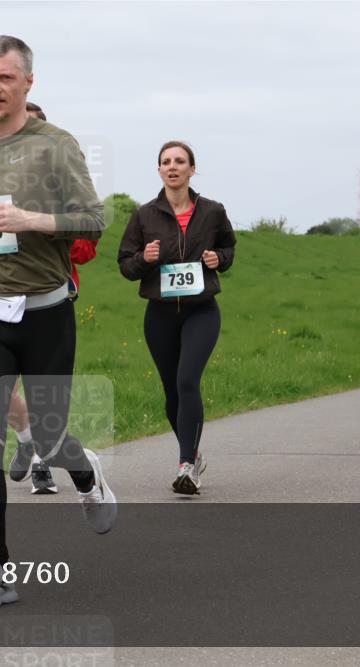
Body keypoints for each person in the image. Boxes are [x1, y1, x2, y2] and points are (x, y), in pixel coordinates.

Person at [0, 35, 115, 608]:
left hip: (46, 311)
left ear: (28, 82)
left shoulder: (56, 145)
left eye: (4, 78)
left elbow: (92, 220)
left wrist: (30, 218)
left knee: (52, 437)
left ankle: (87, 476)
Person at [0, 101, 99, 495]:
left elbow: (87, 246)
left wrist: (43, 234)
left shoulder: (62, 191)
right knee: (1, 399)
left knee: (46, 411)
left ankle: (48, 462)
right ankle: (25, 445)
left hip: (47, 305)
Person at [117, 141, 236, 495]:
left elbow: (229, 248)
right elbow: (125, 264)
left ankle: (186, 467)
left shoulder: (213, 211)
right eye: (166, 162)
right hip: (160, 315)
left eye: (180, 161)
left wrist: (220, 260)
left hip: (201, 311)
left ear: (192, 169)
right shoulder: (144, 215)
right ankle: (194, 453)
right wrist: (145, 259)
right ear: (159, 171)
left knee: (187, 381)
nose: (172, 167)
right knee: (171, 392)